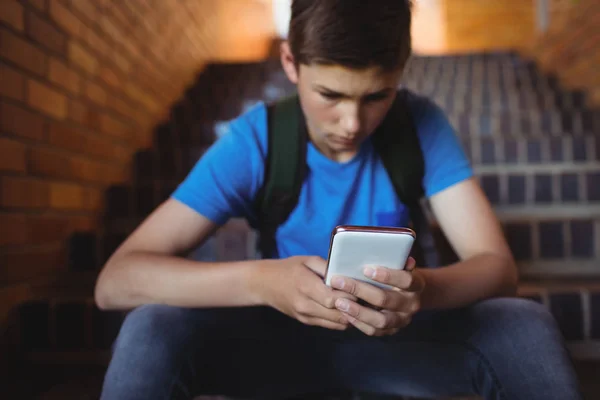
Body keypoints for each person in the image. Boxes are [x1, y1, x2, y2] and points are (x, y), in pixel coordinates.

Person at [94, 1, 582, 399]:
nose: (352, 123)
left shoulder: (420, 124)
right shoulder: (254, 141)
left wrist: (419, 292)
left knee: (525, 323)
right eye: (330, 94)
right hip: (277, 344)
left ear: (400, 73)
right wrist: (261, 281)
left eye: (376, 97)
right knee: (152, 327)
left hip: (396, 341)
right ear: (290, 63)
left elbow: (497, 266)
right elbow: (116, 282)